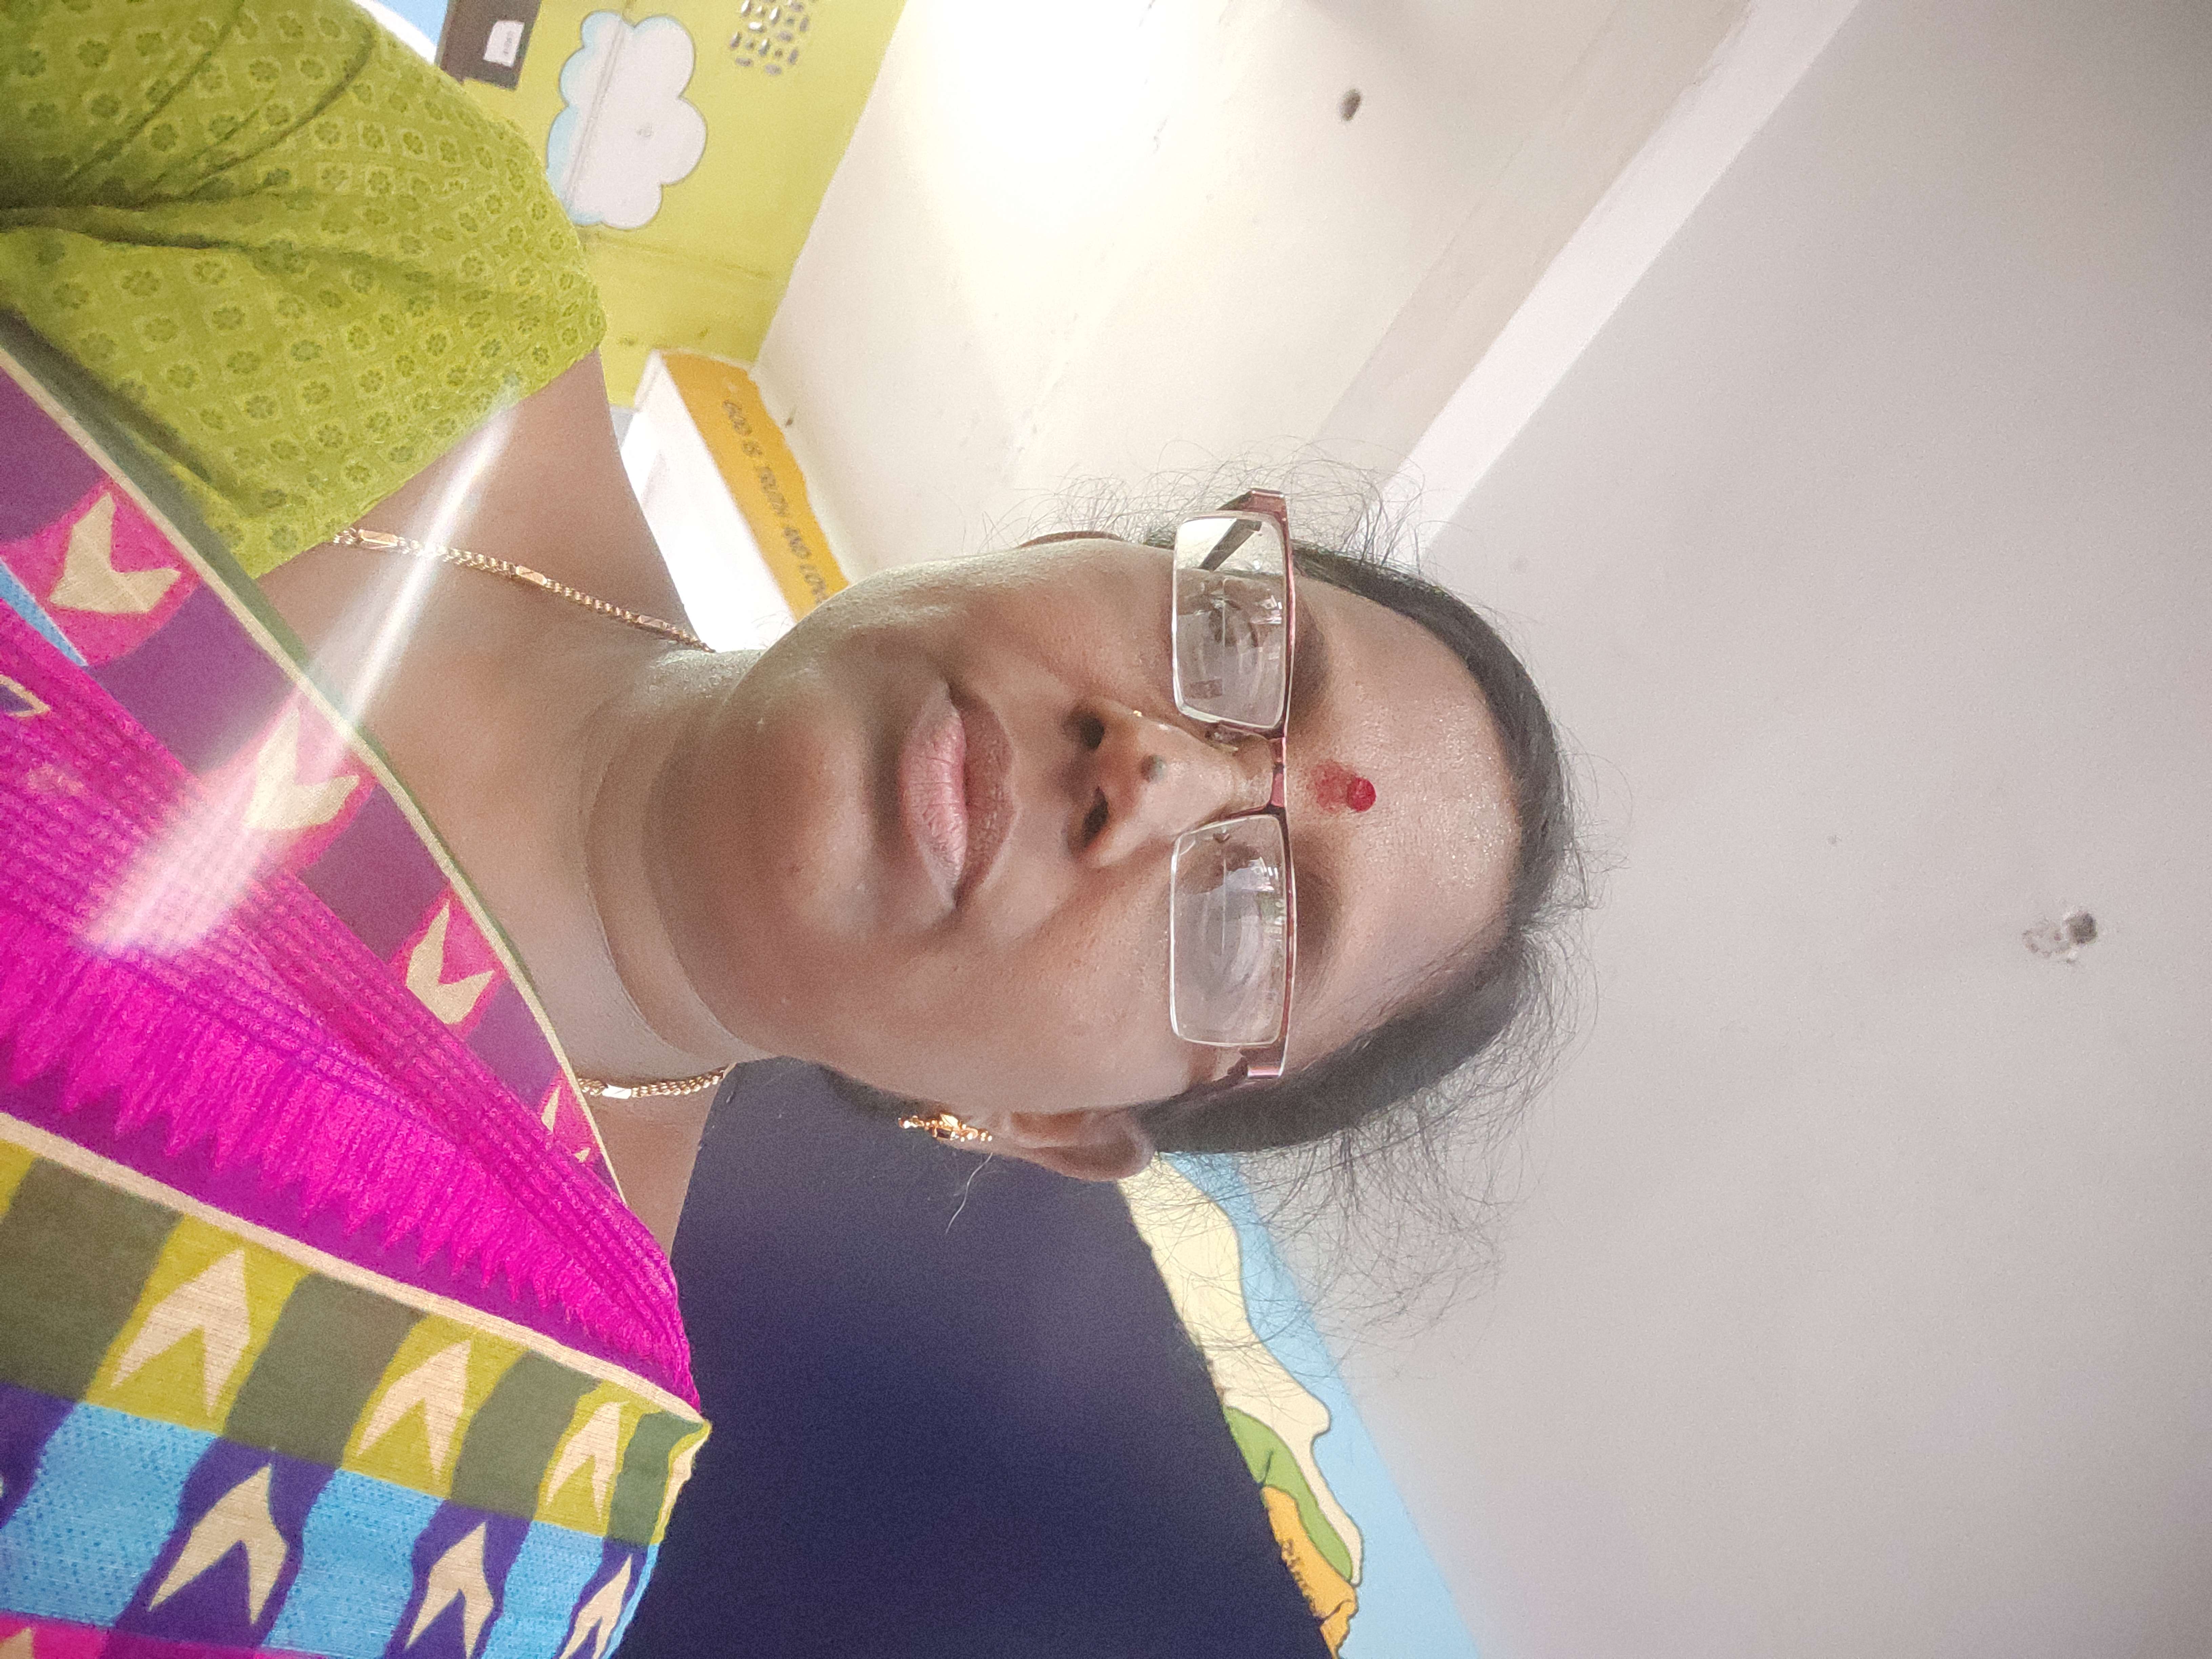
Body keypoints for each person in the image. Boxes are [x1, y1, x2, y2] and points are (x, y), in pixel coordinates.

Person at [0, 0, 1573, 1644]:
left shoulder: (479, 1500)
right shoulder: (395, 239)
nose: (1159, 775)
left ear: (1044, 1123)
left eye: (1254, 927)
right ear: (1080, 549)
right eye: (1236, 640)